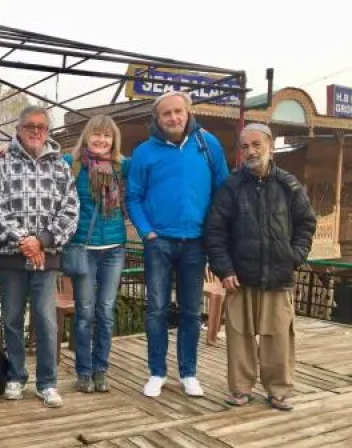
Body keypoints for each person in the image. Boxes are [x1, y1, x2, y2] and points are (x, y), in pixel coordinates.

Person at [206, 123, 316, 411]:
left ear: (270, 146)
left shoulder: (289, 185)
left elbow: (306, 224)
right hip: (240, 277)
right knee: (239, 337)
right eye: (245, 146)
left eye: (256, 144)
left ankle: (278, 391)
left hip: (279, 276)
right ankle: (240, 389)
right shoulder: (231, 186)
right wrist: (225, 269)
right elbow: (215, 231)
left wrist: (294, 256)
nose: (250, 151)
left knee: (278, 338)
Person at [126, 90, 229, 398]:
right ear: (157, 119)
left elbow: (223, 191)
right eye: (166, 113)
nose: (173, 118)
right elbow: (134, 196)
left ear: (188, 112)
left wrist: (213, 232)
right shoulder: (144, 152)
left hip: (195, 242)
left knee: (191, 311)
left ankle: (188, 373)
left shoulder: (207, 145)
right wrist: (146, 231)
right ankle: (157, 372)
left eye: (178, 111)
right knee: (156, 309)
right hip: (159, 242)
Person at [0, 105, 79, 408]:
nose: (35, 131)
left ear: (47, 131)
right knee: (12, 318)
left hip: (46, 257)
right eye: (29, 126)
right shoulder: (0, 164)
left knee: (46, 320)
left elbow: (70, 210)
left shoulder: (61, 166)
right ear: (18, 129)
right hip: (11, 256)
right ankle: (16, 376)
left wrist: (42, 241)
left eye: (41, 126)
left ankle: (47, 382)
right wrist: (23, 241)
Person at [63, 115, 130, 393]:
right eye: (96, 134)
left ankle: (100, 369)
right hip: (83, 248)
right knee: (84, 312)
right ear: (86, 136)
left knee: (105, 311)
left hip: (114, 248)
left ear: (114, 140)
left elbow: (154, 165)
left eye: (107, 135)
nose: (101, 140)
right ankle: (83, 371)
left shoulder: (122, 166)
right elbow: (43, 157)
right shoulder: (72, 164)